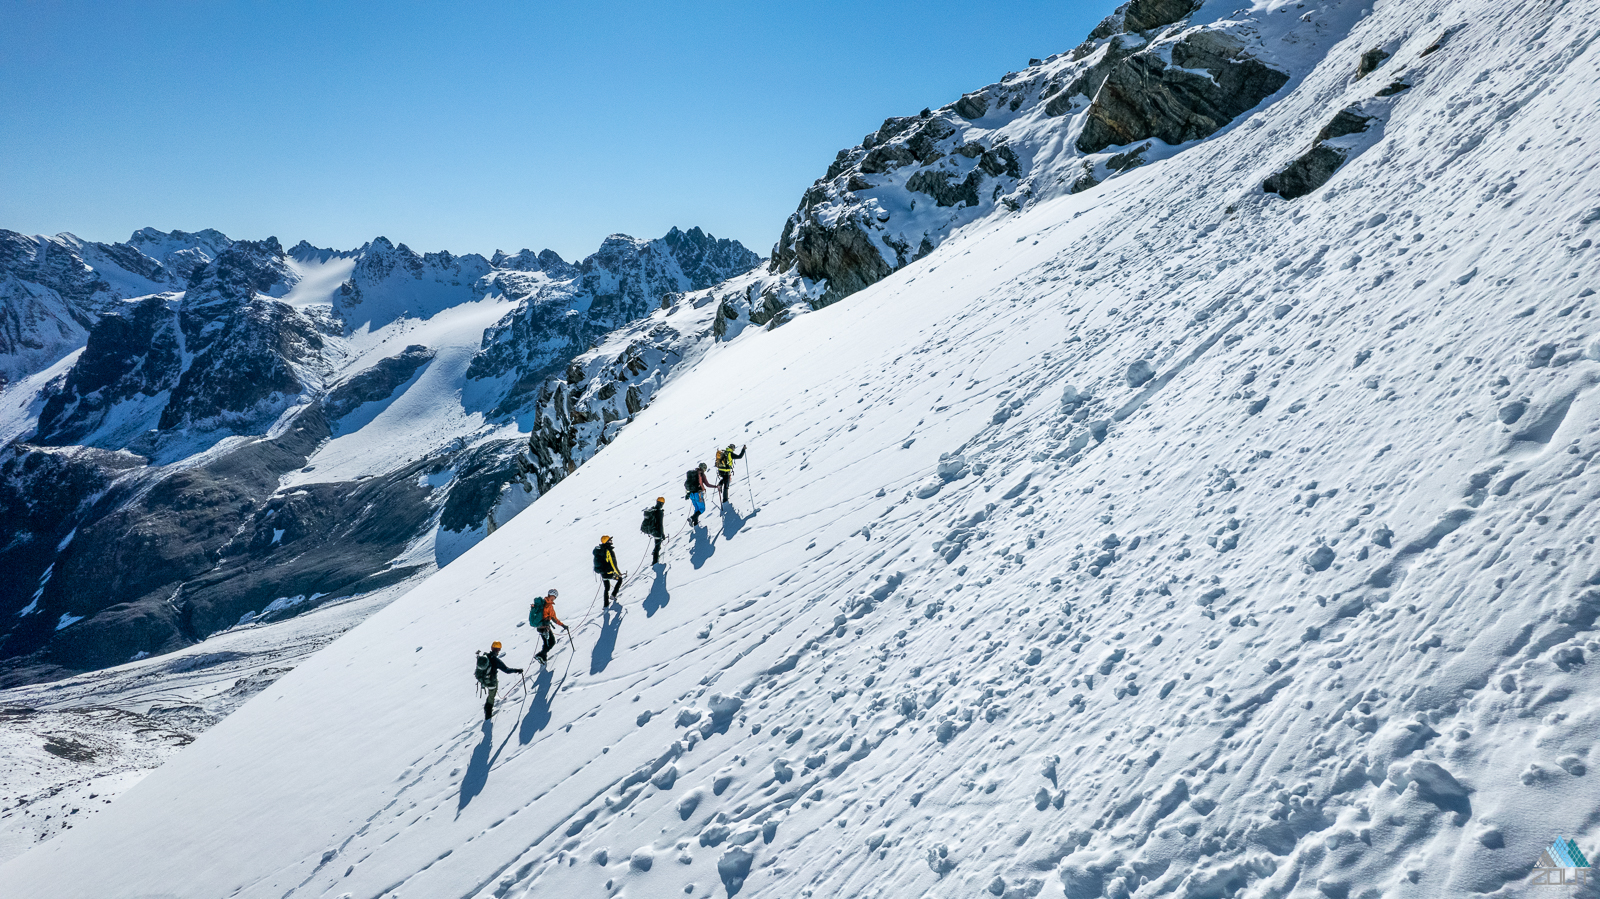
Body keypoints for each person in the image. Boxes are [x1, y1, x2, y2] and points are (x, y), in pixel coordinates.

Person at [477, 640, 522, 721]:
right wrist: (517, 670)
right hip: (492, 682)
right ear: (498, 650)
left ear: (491, 647)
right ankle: (488, 714)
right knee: (491, 697)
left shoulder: (485, 656)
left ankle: (487, 709)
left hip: (484, 681)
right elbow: (507, 670)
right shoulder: (495, 660)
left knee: (490, 696)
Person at [530, 588, 569, 664]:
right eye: (555, 596)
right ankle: (540, 655)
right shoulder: (548, 605)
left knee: (546, 642)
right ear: (552, 595)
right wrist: (563, 625)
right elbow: (554, 618)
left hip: (540, 627)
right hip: (545, 627)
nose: (555, 598)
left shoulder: (543, 603)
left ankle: (543, 658)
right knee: (552, 642)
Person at [594, 536, 623, 607]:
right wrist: (618, 573)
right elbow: (613, 564)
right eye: (609, 540)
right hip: (609, 572)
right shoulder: (608, 550)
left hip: (603, 573)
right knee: (620, 579)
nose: (611, 541)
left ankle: (605, 605)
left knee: (606, 588)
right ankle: (613, 595)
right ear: (607, 541)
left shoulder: (599, 550)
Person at [641, 497, 666, 564]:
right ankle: (655, 561)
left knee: (657, 544)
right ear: (662, 504)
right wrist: (662, 534)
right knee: (657, 546)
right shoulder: (660, 512)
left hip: (652, 530)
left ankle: (655, 554)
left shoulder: (653, 510)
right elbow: (660, 524)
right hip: (657, 531)